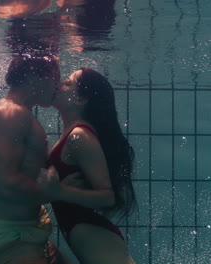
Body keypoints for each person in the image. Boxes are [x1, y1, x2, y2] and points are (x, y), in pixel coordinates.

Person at [37, 68, 137, 264]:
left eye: (67, 83)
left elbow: (107, 197)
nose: (59, 85)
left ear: (81, 100)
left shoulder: (79, 136)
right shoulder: (70, 136)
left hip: (96, 239)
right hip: (90, 236)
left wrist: (60, 191)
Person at [0, 56, 69, 264]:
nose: (59, 84)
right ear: (34, 75)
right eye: (55, 76)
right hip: (12, 240)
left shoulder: (19, 112)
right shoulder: (10, 114)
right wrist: (61, 193)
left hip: (26, 232)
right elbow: (4, 185)